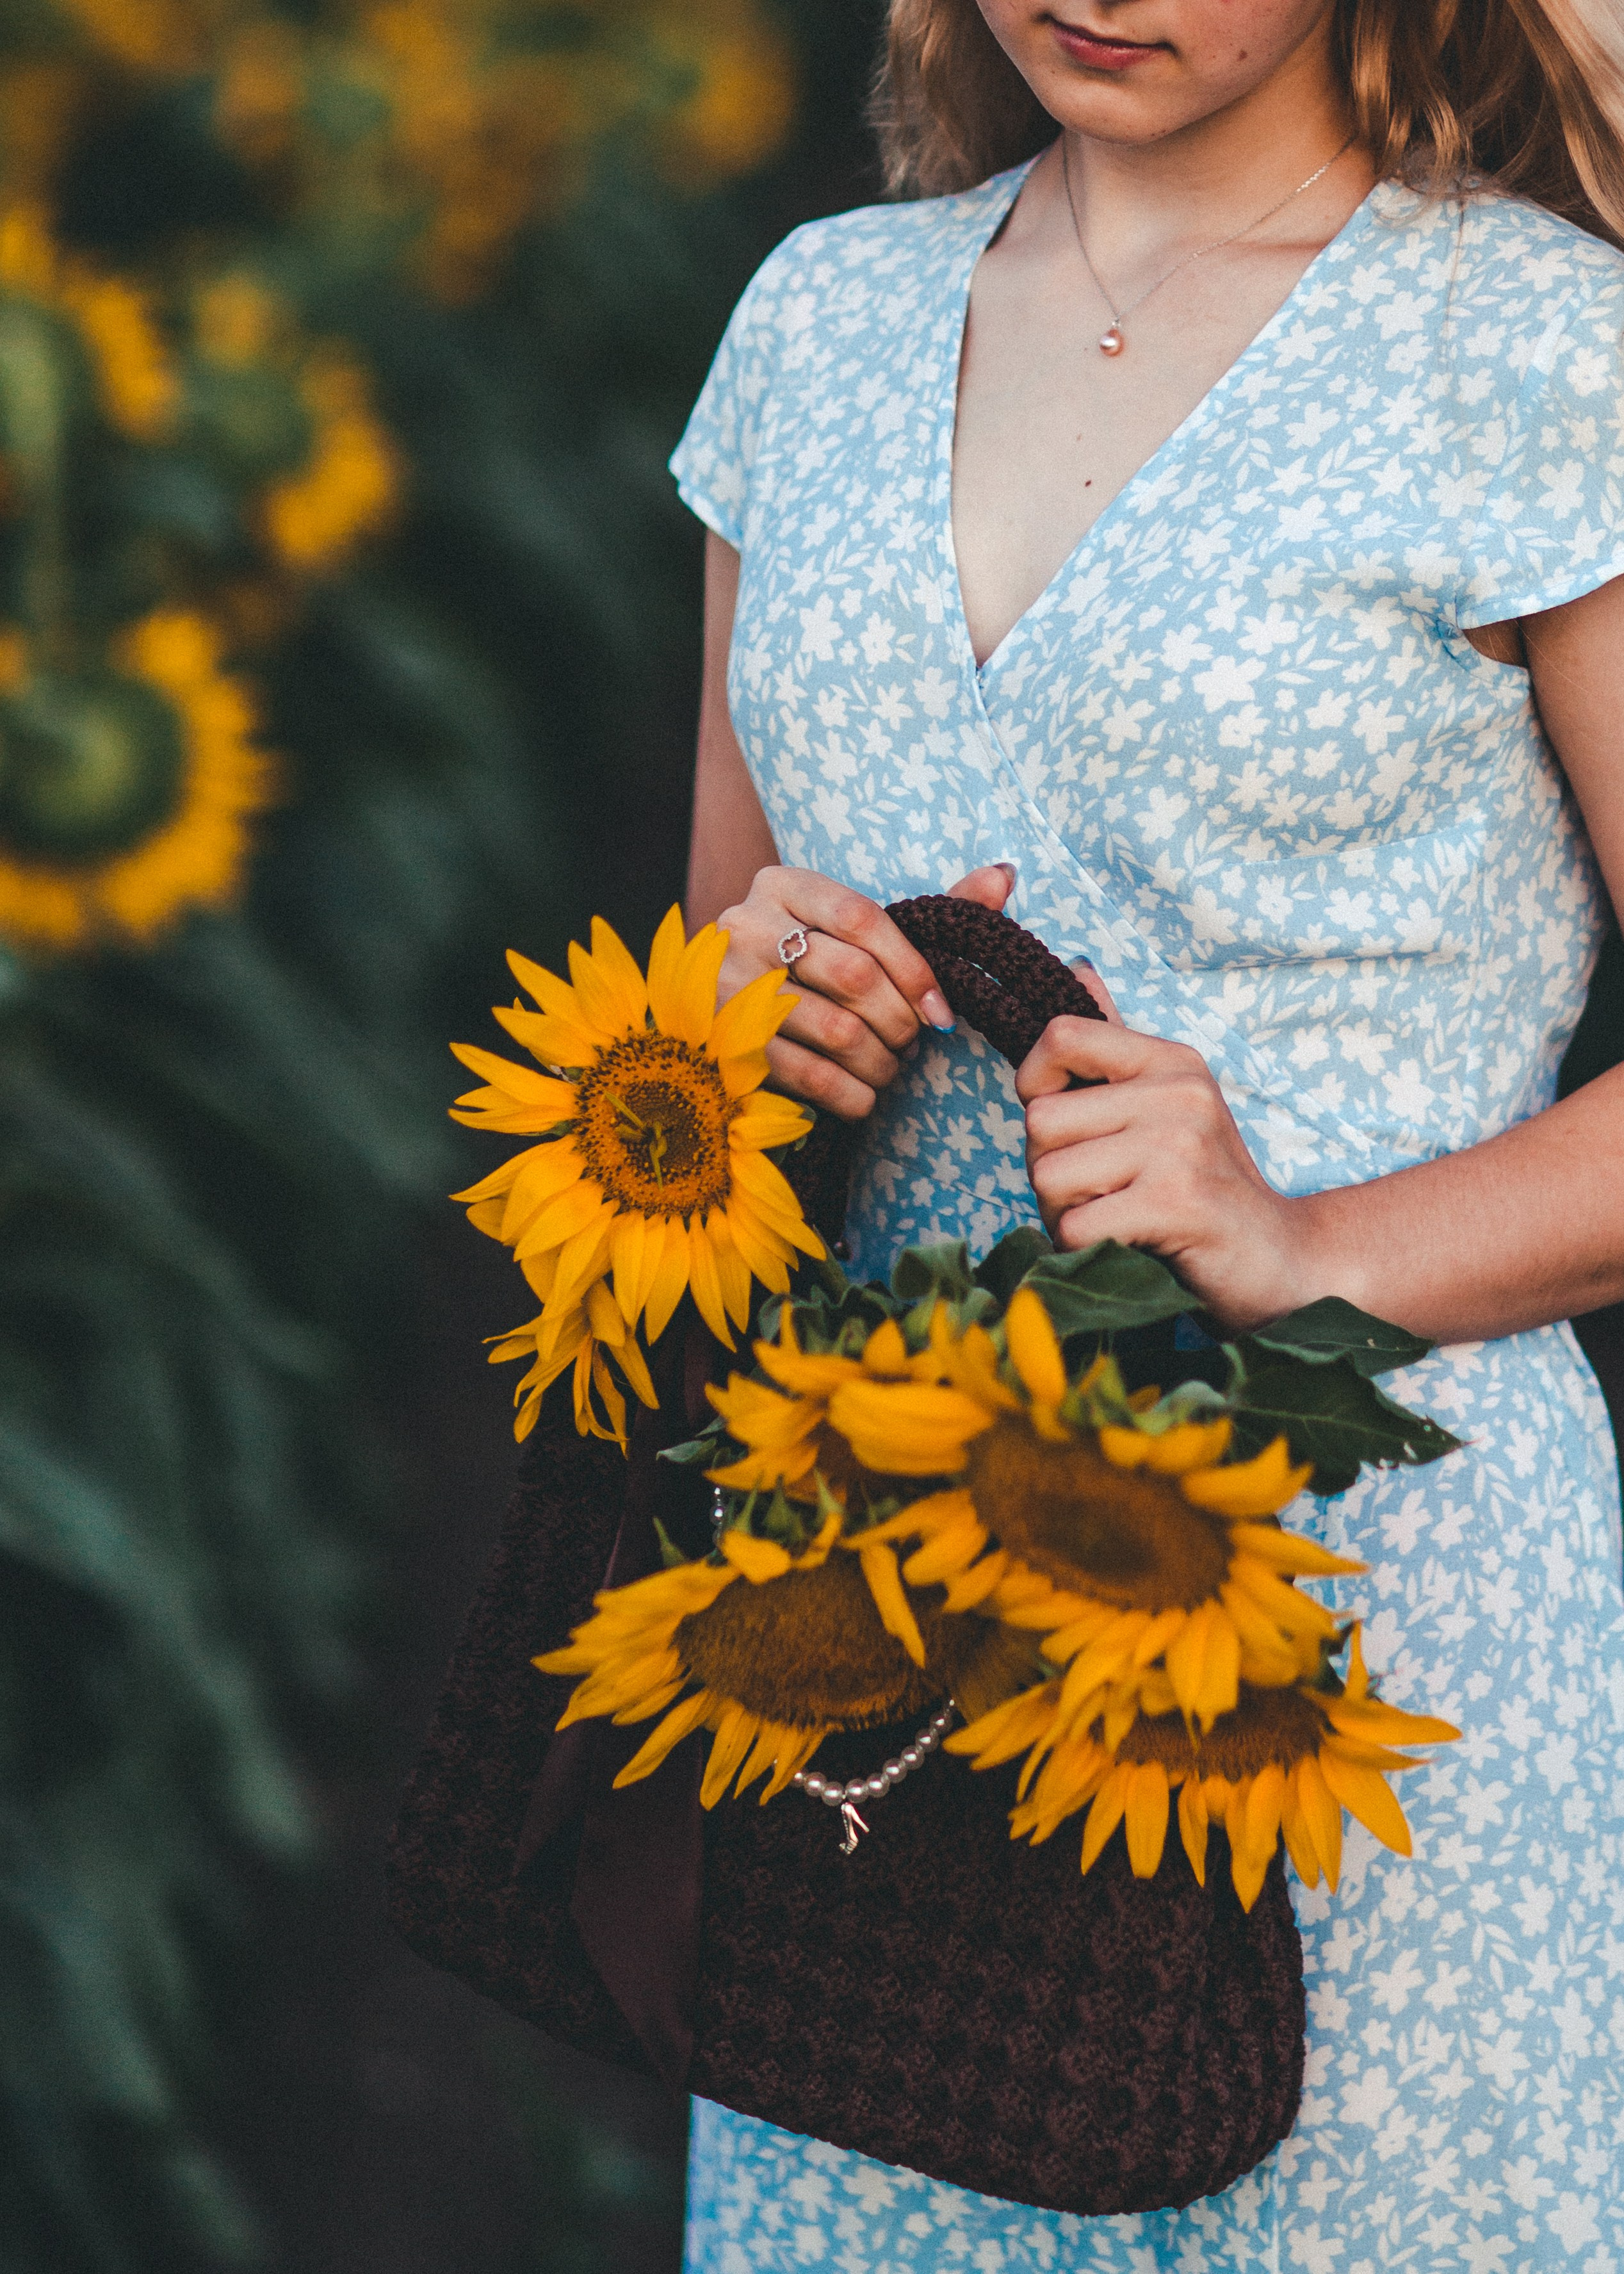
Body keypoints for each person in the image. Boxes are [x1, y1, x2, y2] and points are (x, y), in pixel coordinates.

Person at [670, 1, 1624, 2264]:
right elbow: (712, 924)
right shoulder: (819, 319)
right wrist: (747, 1020)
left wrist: (1309, 1243)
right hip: (872, 1608)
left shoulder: (1546, 354)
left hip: (1364, 1623)